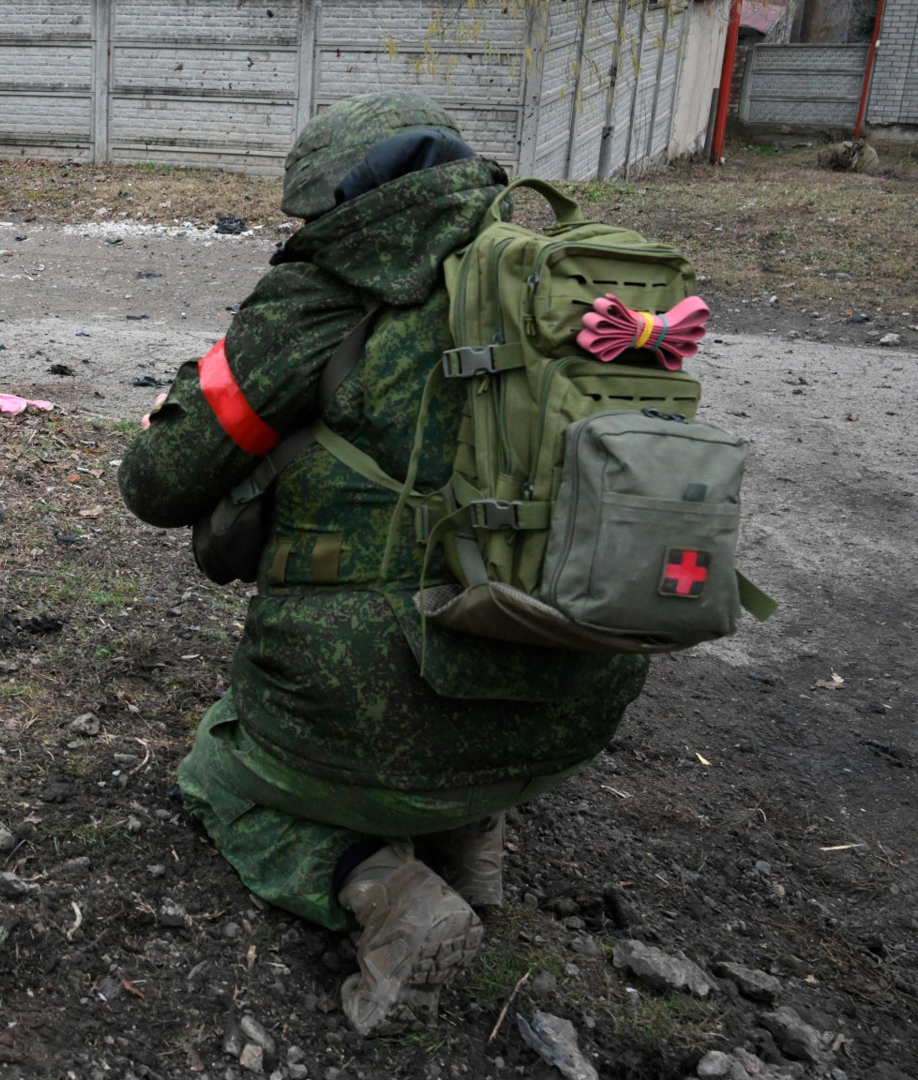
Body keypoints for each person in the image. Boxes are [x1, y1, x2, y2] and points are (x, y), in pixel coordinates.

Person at [117, 92, 648, 1035]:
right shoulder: (566, 288)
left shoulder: (320, 298)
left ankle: (386, 887)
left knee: (221, 767)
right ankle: (473, 832)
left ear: (346, 203)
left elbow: (157, 483)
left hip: (370, 699)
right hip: (573, 695)